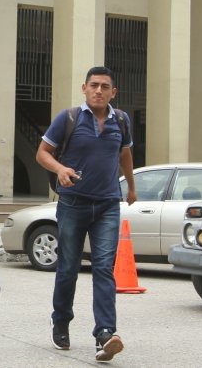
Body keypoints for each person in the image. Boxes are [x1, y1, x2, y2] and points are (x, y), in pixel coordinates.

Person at [35, 66, 135, 363]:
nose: (99, 91)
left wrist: (131, 186)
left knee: (104, 268)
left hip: (107, 205)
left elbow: (125, 153)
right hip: (73, 203)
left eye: (105, 86)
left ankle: (105, 334)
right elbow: (42, 153)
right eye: (94, 85)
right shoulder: (69, 118)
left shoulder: (121, 120)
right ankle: (61, 320)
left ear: (113, 92)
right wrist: (60, 169)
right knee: (68, 267)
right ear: (84, 88)